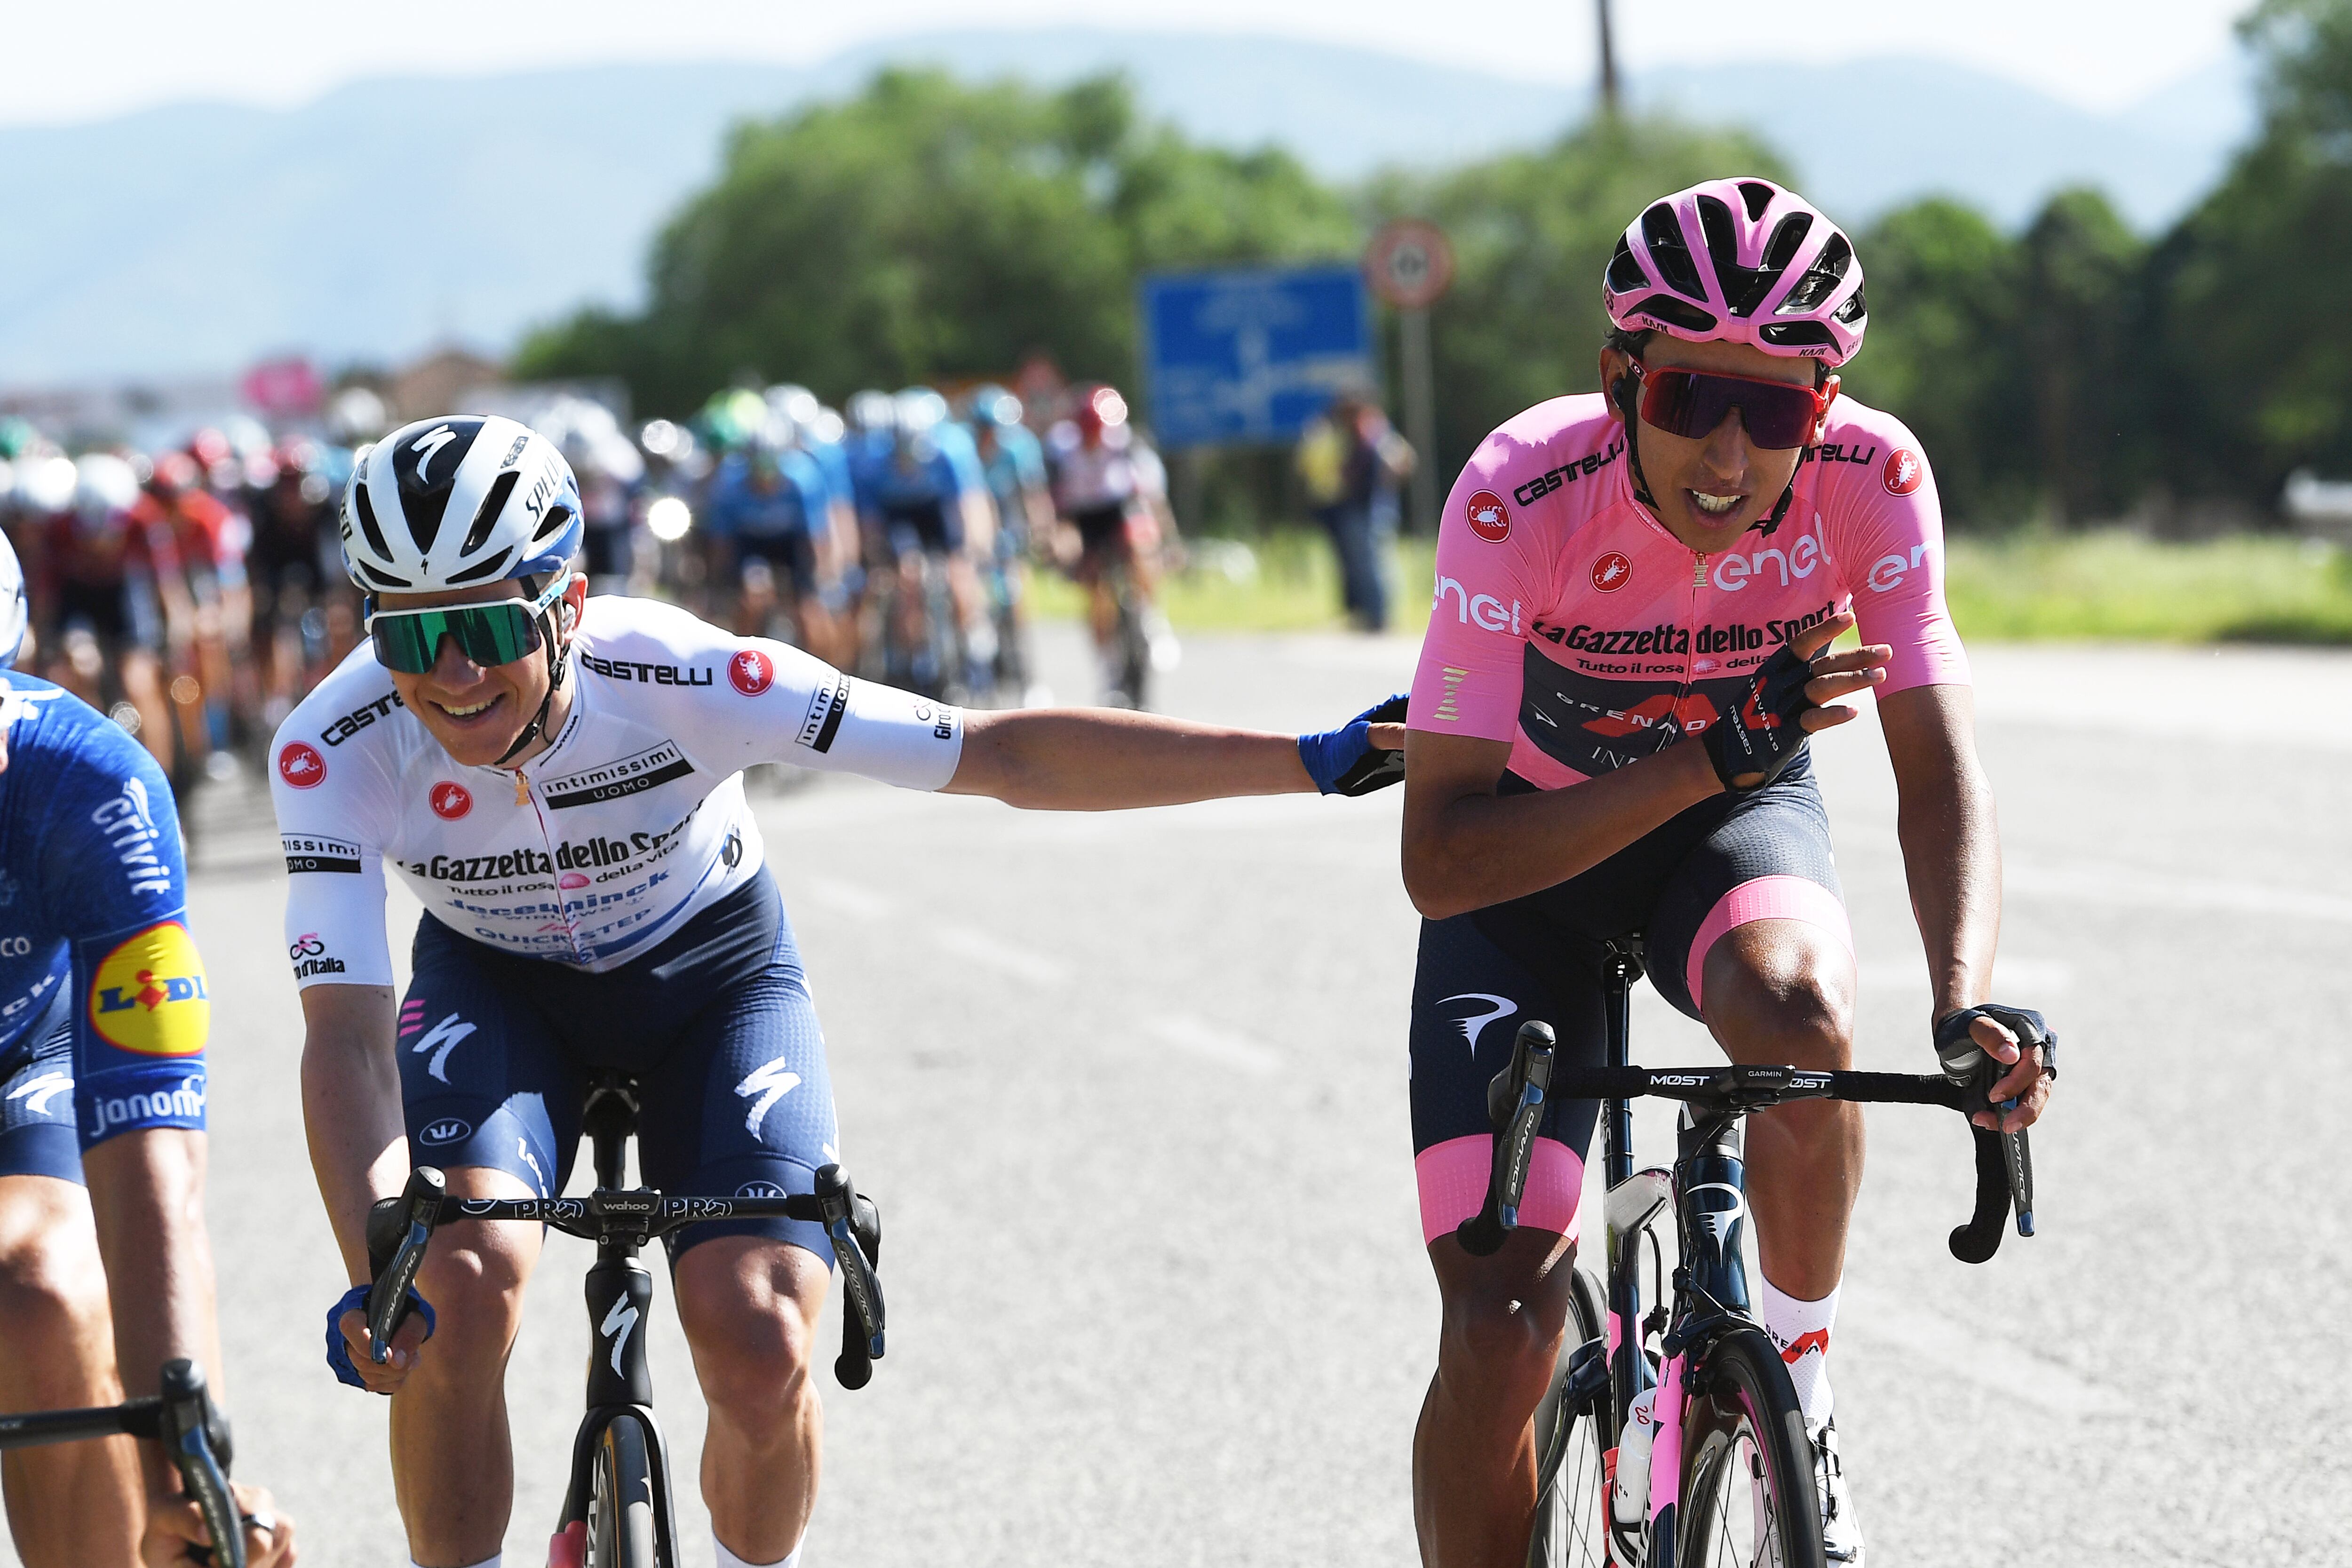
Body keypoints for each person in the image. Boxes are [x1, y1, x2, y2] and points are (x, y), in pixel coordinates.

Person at [275, 414, 1400, 1568]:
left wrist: (1303, 759)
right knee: (451, 1294)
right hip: (501, 990)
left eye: (485, 625)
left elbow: (998, 752)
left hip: (708, 981)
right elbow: (347, 1040)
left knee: (760, 1337)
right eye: (410, 637)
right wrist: (377, 1269)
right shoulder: (336, 744)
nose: (452, 674)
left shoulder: (682, 677)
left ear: (565, 602)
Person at [1397, 177, 2055, 1566]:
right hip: (1523, 873)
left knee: (1806, 1028)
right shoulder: (1520, 493)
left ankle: (1797, 1398)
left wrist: (1956, 1008)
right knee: (1497, 1339)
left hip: (1726, 843)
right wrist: (1706, 755)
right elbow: (1441, 858)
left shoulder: (1871, 481)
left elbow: (1937, 772)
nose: (1725, 448)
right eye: (1691, 396)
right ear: (1617, 379)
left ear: (1819, 412)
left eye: (1772, 411)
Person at [0, 529, 294, 1566]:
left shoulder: (86, 785)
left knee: (39, 1277)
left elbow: (152, 1162)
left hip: (22, 1058)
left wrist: (183, 1474)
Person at [1046, 384, 1177, 705]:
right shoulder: (1062, 449)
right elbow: (1054, 506)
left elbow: (1153, 499)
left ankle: (1151, 617)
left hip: (1120, 508)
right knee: (1094, 585)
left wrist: (1169, 540)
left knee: (1139, 544)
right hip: (1085, 516)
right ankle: (1108, 664)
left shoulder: (1125, 442)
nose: (1093, 441)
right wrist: (1058, 544)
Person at [965, 385, 1054, 705]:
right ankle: (974, 665)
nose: (991, 439)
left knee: (1014, 597)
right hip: (974, 518)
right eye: (985, 431)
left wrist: (1041, 532)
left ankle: (1028, 676)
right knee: (970, 594)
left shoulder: (1020, 447)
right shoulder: (965, 450)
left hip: (1009, 519)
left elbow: (1033, 495)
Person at [1296, 392, 1414, 632]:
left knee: (1374, 563)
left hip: (1370, 507)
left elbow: (1402, 463)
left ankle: (1379, 618)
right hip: (1360, 506)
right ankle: (1369, 616)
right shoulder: (1358, 433)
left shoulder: (1373, 432)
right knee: (1363, 564)